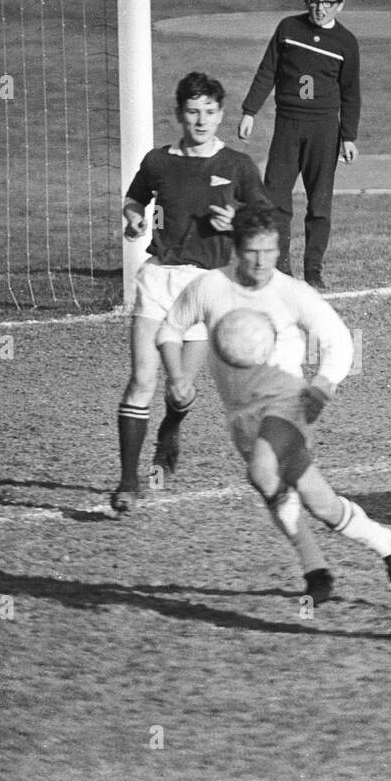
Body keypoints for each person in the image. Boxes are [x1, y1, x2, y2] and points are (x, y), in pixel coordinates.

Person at [157, 206, 391, 604]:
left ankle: (315, 572)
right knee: (322, 505)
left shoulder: (292, 293)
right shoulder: (208, 287)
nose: (262, 261)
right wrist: (177, 376)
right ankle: (384, 544)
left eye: (270, 250)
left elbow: (339, 340)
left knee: (262, 471)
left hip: (287, 404)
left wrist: (323, 387)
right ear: (236, 250)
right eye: (253, 251)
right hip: (240, 416)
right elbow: (170, 329)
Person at [112, 71, 268, 513]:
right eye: (192, 111)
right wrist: (134, 218)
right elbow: (134, 200)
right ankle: (127, 483)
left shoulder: (237, 165)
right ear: (180, 114)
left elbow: (265, 219)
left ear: (220, 113)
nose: (201, 120)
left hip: (206, 287)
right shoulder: (158, 161)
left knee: (181, 390)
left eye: (210, 111)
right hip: (159, 279)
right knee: (143, 378)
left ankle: (170, 429)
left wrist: (236, 220)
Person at [238, 0, 360, 291]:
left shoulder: (346, 43)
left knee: (319, 204)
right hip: (288, 124)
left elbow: (350, 93)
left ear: (340, 6)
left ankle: (314, 271)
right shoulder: (288, 29)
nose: (320, 9)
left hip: (324, 130)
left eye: (327, 3)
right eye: (314, 2)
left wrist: (348, 136)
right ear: (306, 1)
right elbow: (268, 70)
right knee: (275, 198)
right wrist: (250, 111)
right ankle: (280, 267)